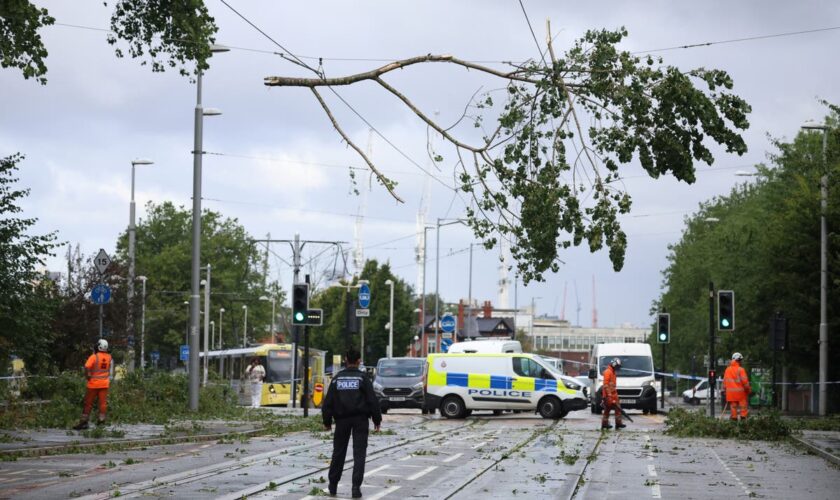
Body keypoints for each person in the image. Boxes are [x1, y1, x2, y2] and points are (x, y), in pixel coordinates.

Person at [323, 349, 382, 498]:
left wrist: (327, 421)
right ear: (359, 361)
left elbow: (328, 402)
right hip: (360, 420)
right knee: (359, 454)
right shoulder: (363, 379)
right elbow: (372, 400)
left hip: (341, 420)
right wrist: (377, 420)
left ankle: (333, 485)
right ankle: (356, 487)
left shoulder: (337, 379)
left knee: (338, 453)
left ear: (345, 359)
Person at [73, 339, 112, 430]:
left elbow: (87, 367)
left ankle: (84, 422)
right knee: (102, 404)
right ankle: (101, 421)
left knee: (88, 403)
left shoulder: (94, 356)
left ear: (98, 346)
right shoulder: (109, 357)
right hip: (104, 384)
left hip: (93, 384)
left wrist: (88, 375)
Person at [723, 352, 751, 421]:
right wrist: (748, 390)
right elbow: (745, 383)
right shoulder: (741, 370)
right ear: (738, 360)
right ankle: (743, 422)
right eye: (740, 360)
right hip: (741, 394)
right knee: (743, 408)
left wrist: (725, 391)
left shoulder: (727, 370)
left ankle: (734, 423)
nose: (741, 362)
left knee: (733, 409)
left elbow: (724, 383)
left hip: (731, 395)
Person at [601, 358, 626, 430]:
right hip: (609, 395)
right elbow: (605, 385)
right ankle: (606, 424)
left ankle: (617, 423)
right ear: (614, 364)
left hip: (613, 394)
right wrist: (609, 396)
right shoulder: (608, 372)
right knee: (608, 409)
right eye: (617, 366)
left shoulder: (613, 372)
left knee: (617, 409)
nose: (618, 368)